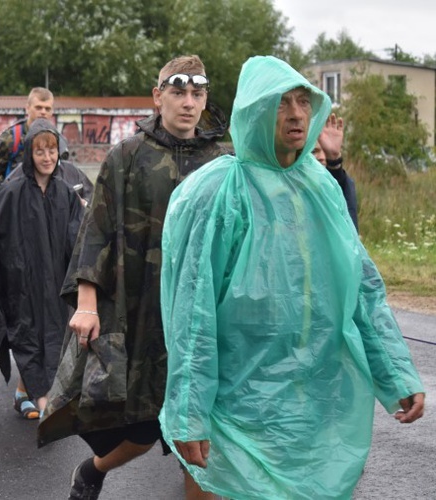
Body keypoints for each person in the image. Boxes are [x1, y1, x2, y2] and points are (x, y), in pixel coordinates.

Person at [159, 55, 425, 500]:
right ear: (255, 111)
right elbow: (192, 307)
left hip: (311, 402)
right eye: (282, 103)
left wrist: (397, 373)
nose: (297, 114)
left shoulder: (321, 188)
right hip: (236, 399)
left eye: (303, 101)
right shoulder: (216, 192)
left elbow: (360, 287)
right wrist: (190, 411)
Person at [36, 55, 230, 500]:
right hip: (143, 311)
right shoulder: (126, 156)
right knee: (142, 431)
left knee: (201, 439)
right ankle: (92, 470)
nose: (188, 103)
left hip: (203, 318)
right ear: (157, 96)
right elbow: (96, 231)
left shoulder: (223, 159)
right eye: (178, 93)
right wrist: (86, 304)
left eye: (197, 94)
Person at [0, 118, 84, 419]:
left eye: (52, 151)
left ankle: (25, 394)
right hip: (22, 283)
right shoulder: (13, 190)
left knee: (53, 339)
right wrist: (7, 272)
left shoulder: (66, 193)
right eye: (40, 152)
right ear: (29, 155)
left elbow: (76, 237)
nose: (47, 158)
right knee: (29, 338)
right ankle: (42, 401)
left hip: (55, 281)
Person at [0, 87, 54, 190]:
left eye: (47, 109)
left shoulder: (56, 139)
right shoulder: (11, 137)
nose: (43, 112)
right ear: (27, 108)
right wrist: (8, 191)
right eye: (38, 107)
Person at [312, 112, 359, 230]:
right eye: (315, 151)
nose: (322, 157)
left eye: (325, 151)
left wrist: (333, 158)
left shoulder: (344, 184)